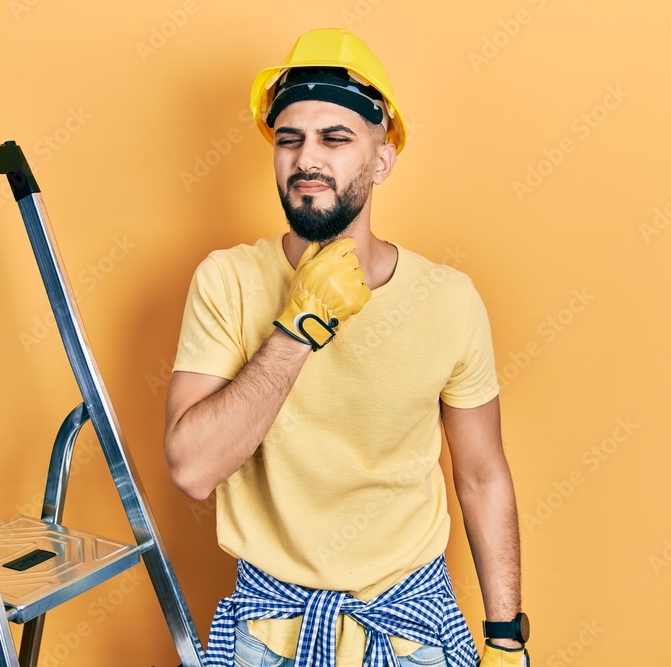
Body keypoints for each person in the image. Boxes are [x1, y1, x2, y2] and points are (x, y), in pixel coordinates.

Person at [164, 28, 529, 667]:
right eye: (289, 139)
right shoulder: (227, 281)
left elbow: (481, 474)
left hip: (410, 627)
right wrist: (296, 328)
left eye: (336, 139)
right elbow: (193, 470)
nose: (309, 159)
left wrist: (505, 637)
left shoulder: (449, 299)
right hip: (267, 632)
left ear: (382, 158)